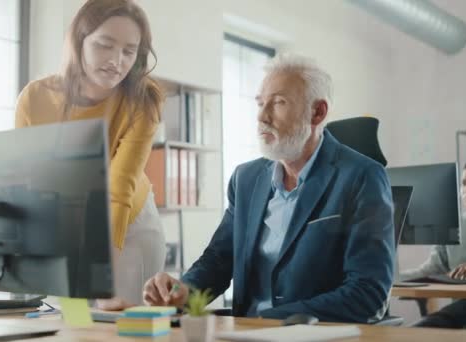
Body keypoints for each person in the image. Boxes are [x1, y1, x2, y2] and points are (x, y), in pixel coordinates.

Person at [143, 52, 395, 323]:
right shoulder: (246, 178)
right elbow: (218, 260)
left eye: (278, 103)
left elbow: (368, 292)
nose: (262, 116)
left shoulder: (362, 177)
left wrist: (271, 321)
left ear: (317, 112)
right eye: (260, 103)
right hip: (246, 334)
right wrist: (182, 291)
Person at [15, 0, 165, 309]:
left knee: (118, 329)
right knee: (73, 323)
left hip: (129, 226)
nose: (117, 61)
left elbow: (120, 186)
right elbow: (29, 180)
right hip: (68, 228)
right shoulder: (35, 98)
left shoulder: (142, 100)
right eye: (104, 45)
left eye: (129, 50)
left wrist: (98, 270)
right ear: (79, 40)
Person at [401, 158, 466, 330]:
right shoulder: (454, 226)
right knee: (420, 329)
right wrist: (393, 277)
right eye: (464, 183)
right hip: (463, 306)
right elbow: (432, 269)